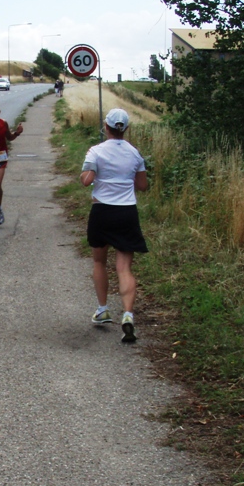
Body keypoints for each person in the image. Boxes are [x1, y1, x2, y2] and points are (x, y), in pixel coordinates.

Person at [80, 108, 148, 342]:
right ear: (125, 128)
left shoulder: (96, 151)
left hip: (101, 210)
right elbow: (142, 186)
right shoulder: (135, 154)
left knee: (99, 261)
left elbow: (85, 179)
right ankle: (128, 314)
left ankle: (102, 309)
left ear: (105, 127)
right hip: (126, 212)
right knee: (124, 267)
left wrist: (92, 177)